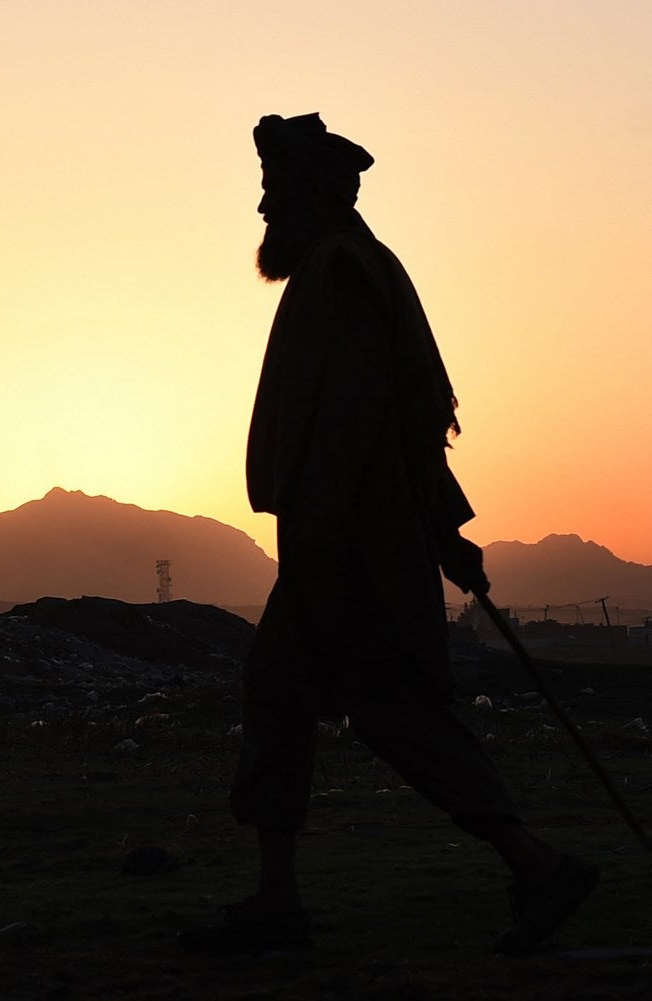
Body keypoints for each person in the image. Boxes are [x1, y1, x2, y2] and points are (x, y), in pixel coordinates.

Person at [180, 113, 597, 957]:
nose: (262, 213)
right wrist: (443, 529)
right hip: (347, 545)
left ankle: (534, 862)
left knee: (394, 712)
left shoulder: (340, 276)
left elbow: (361, 427)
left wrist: (349, 548)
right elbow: (413, 425)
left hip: (348, 553)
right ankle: (279, 895)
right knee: (283, 693)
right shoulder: (360, 271)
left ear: (310, 196)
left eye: (272, 194)